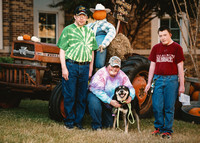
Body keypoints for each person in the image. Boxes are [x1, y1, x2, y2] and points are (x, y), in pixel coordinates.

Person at [57, 5, 98, 130]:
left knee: (82, 96)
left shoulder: (90, 32)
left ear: (87, 18)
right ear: (75, 17)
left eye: (84, 16)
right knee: (70, 95)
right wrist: (64, 68)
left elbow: (92, 51)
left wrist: (91, 68)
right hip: (71, 65)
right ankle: (69, 122)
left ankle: (79, 122)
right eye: (79, 16)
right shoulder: (68, 30)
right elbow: (62, 50)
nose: (81, 18)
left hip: (85, 67)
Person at [144, 26, 185, 139]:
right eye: (160, 36)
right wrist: (149, 82)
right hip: (158, 79)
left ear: (170, 35)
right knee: (157, 106)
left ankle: (167, 130)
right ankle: (158, 127)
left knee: (169, 106)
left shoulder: (177, 48)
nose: (162, 38)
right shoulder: (156, 48)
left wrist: (181, 85)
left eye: (165, 35)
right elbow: (152, 66)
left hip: (171, 80)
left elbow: (180, 67)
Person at [87, 56, 135, 130]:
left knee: (109, 125)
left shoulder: (121, 75)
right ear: (108, 65)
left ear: (119, 68)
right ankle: (96, 126)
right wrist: (110, 101)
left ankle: (104, 118)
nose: (114, 69)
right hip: (98, 97)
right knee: (94, 102)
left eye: (117, 67)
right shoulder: (101, 73)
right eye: (112, 66)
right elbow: (97, 91)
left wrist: (130, 97)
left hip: (109, 104)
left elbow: (130, 88)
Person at [87, 4, 116, 71]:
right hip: (89, 45)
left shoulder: (107, 25)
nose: (98, 14)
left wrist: (104, 44)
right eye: (96, 12)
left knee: (100, 57)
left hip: (99, 45)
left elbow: (111, 33)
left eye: (100, 12)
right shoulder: (91, 25)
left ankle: (99, 70)